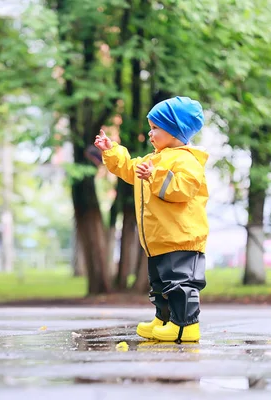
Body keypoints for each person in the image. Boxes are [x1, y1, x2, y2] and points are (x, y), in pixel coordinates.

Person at [94, 96, 209, 343]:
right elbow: (128, 169)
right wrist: (111, 150)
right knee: (160, 286)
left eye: (156, 127)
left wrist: (155, 176)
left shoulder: (187, 160)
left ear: (175, 131)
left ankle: (185, 325)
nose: (150, 133)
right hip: (158, 240)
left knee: (180, 284)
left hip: (181, 239)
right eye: (151, 127)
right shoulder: (152, 160)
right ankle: (164, 319)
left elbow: (182, 189)